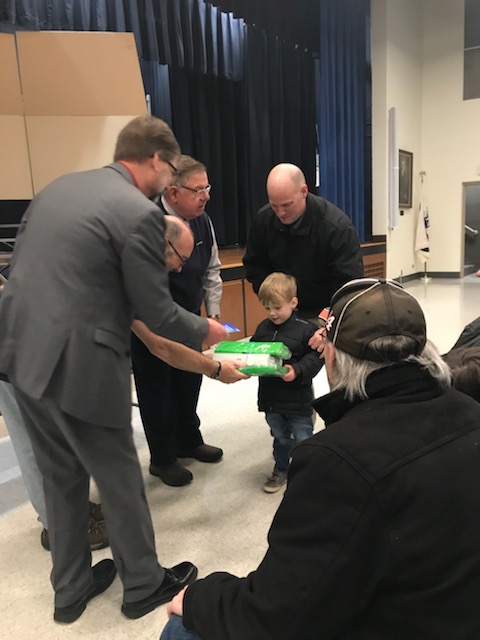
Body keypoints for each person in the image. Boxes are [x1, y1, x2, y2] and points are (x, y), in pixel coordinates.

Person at [0, 115, 230, 625]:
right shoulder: (138, 212)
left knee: (61, 476)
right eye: (171, 171)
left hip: (18, 356)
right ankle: (143, 584)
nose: (170, 181)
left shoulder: (58, 190)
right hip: (81, 363)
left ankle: (70, 590)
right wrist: (208, 330)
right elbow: (157, 312)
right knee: (119, 476)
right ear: (155, 159)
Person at [160, 277, 480, 640]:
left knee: (180, 629)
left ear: (333, 359)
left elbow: (279, 613)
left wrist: (200, 598)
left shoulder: (336, 460)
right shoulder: (470, 410)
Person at [131, 155, 223, 487]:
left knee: (188, 381)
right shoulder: (146, 224)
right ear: (173, 191)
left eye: (207, 187)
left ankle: (188, 440)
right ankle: (163, 458)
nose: (206, 196)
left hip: (189, 318)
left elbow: (211, 269)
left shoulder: (203, 221)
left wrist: (212, 315)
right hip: (150, 322)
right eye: (198, 190)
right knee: (156, 389)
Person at [243, 163, 364, 321]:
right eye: (274, 206)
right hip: (283, 313)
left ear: (304, 191)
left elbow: (349, 288)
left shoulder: (336, 228)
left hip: (324, 314)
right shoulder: (264, 220)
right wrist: (275, 299)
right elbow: (254, 266)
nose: (280, 213)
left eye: (287, 205)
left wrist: (327, 321)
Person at [250, 272, 322, 493]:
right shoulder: (262, 329)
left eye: (277, 307)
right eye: (267, 308)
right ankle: (281, 469)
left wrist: (297, 370)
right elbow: (252, 352)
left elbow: (316, 357)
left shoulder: (306, 329)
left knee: (302, 438)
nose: (272, 313)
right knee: (280, 437)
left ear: (293, 302)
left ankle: (308, 473)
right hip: (271, 399)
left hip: (298, 400)